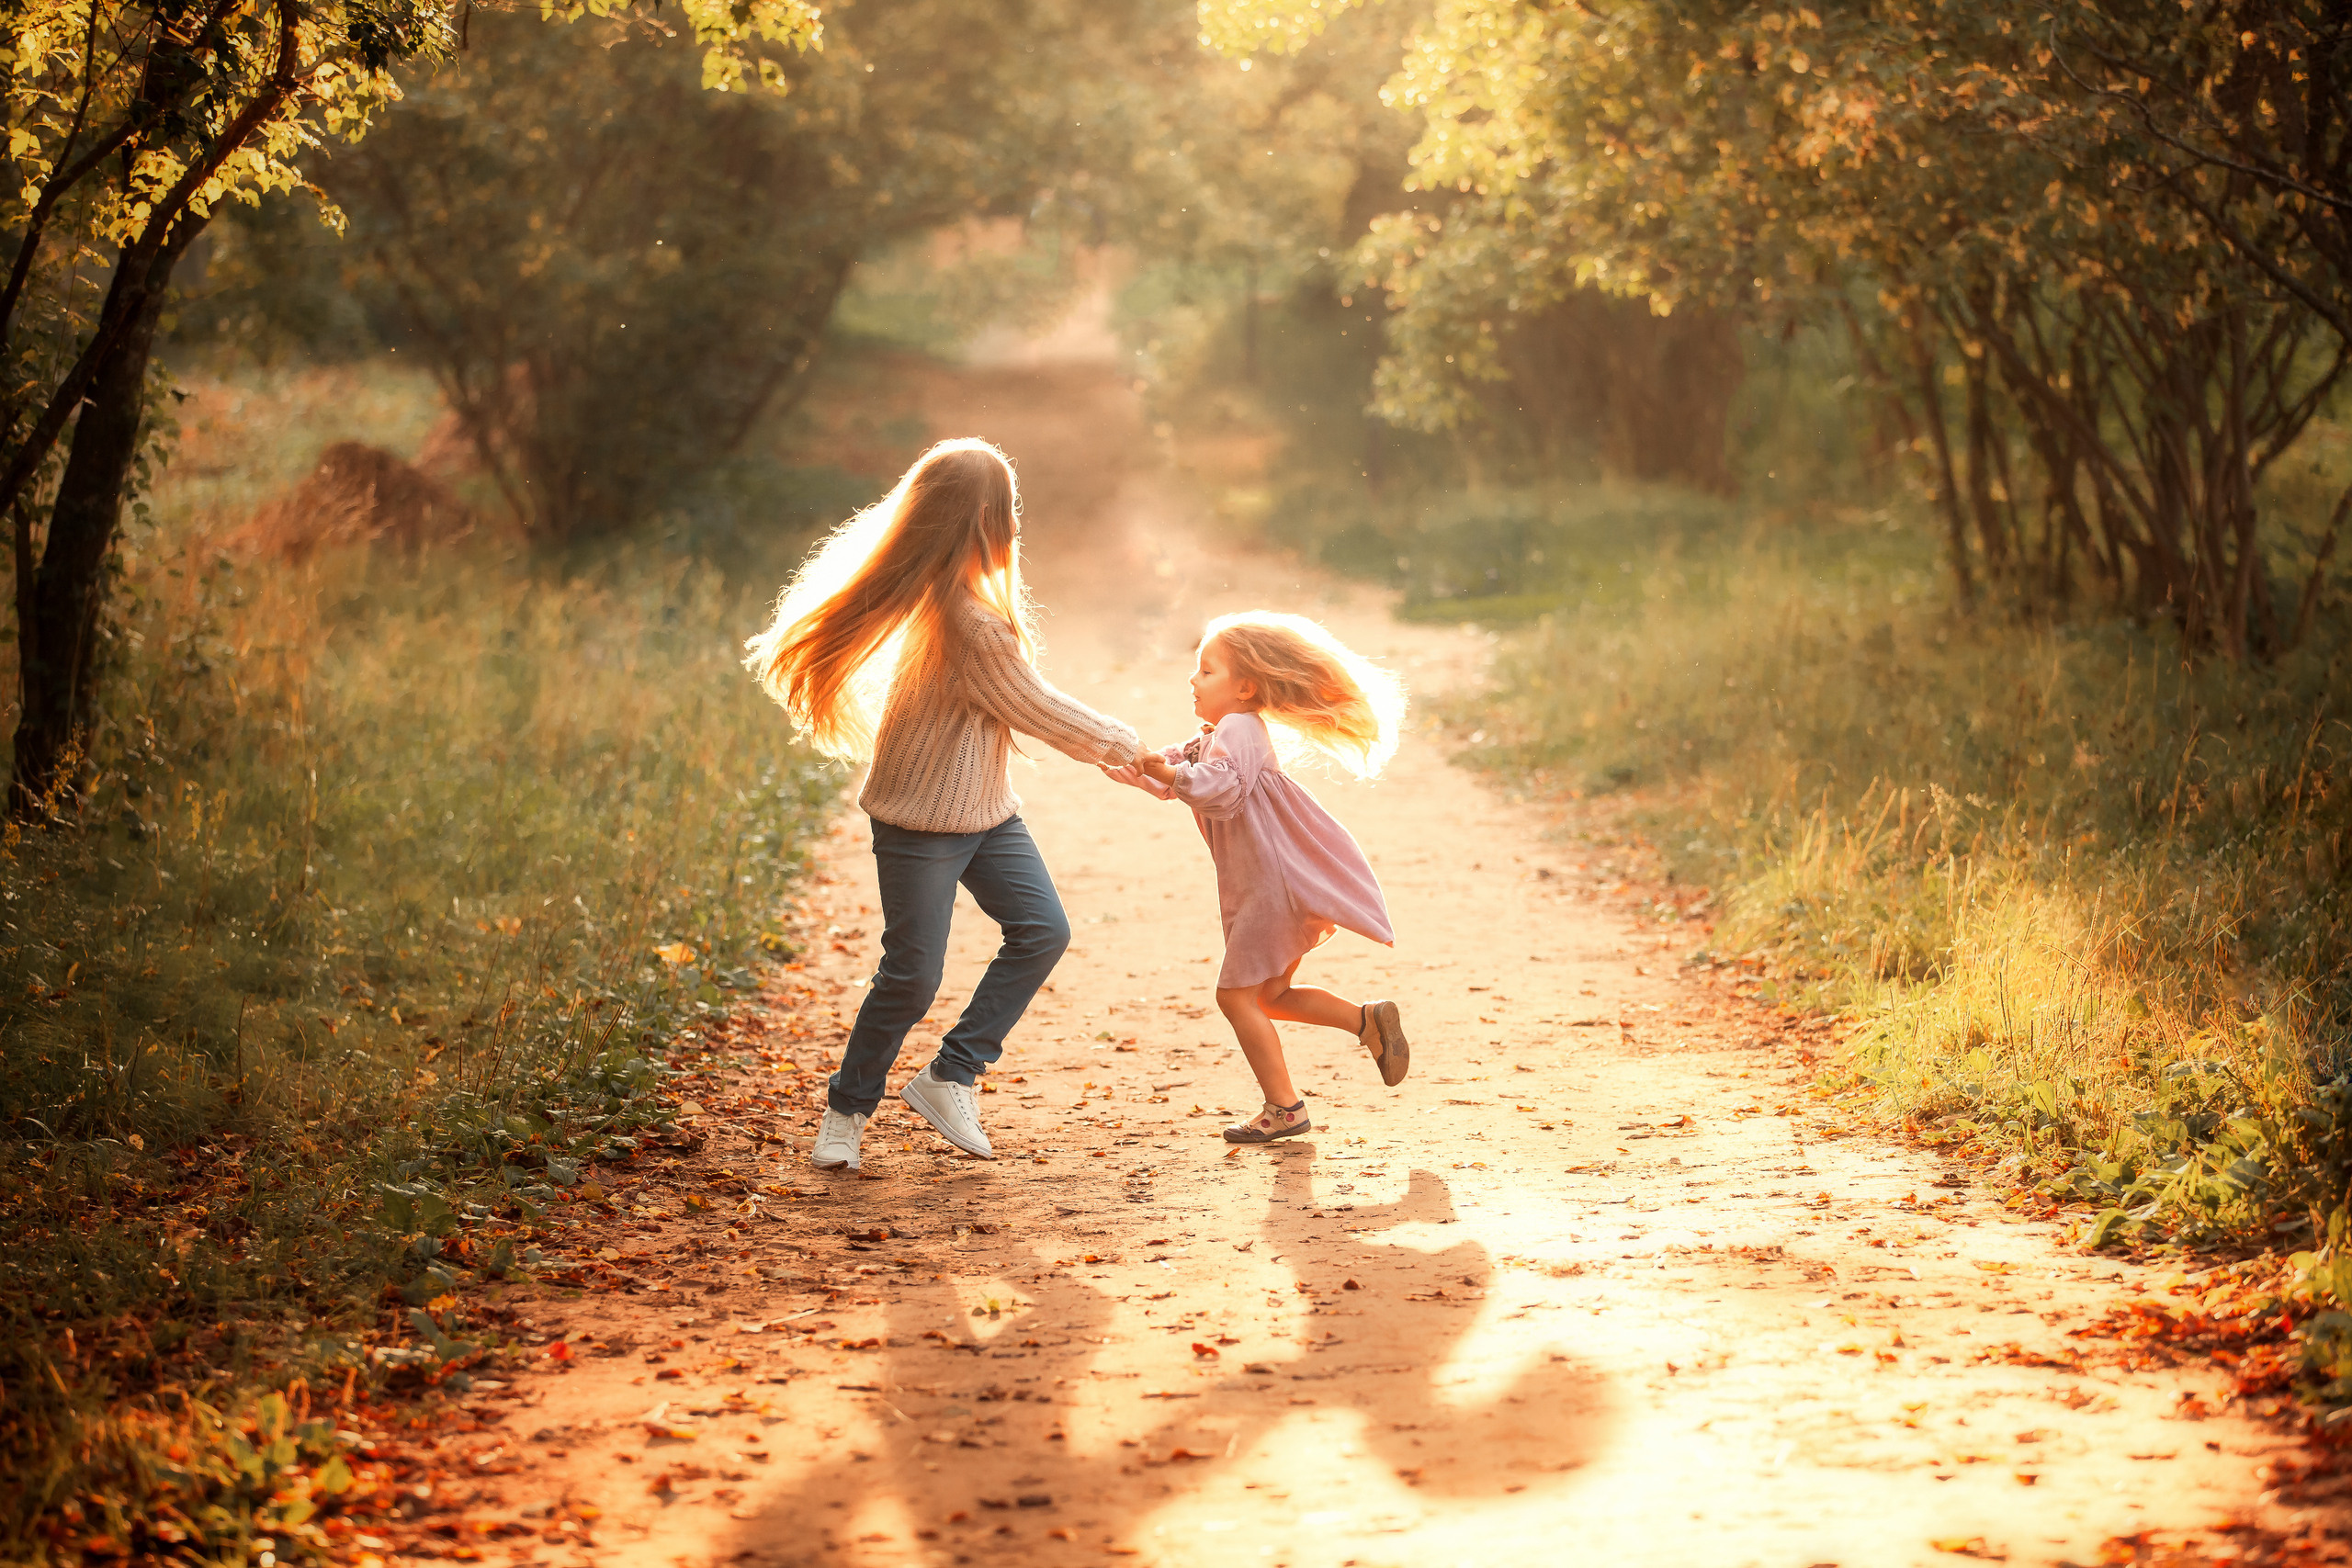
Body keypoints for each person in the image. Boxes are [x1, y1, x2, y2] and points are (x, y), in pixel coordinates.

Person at [744, 438, 1141, 1171]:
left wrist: (1123, 758)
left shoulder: (956, 601)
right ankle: (846, 1109)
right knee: (912, 974)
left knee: (1041, 929)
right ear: (984, 522)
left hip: (986, 814)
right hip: (918, 822)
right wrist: (1132, 747)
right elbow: (1039, 708)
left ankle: (951, 1074)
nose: (1015, 527)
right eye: (1008, 513)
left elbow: (1018, 708)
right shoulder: (969, 621)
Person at [1102, 611, 1411, 1143]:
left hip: (1270, 888)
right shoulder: (1218, 733)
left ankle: (1285, 1108)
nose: (1192, 680)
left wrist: (1164, 771)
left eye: (1206, 671)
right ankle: (1368, 1023)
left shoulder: (1240, 728)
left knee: (1235, 998)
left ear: (1245, 687)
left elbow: (1216, 787)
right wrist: (1137, 769)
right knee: (1270, 995)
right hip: (1267, 885)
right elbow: (1180, 773)